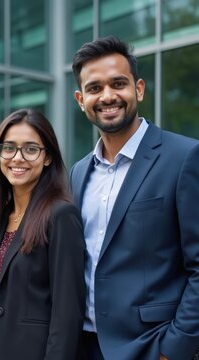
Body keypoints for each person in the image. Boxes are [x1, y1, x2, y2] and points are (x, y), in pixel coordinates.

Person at [71, 35, 199, 360]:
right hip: (84, 346)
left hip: (151, 347)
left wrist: (175, 348)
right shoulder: (78, 172)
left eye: (118, 83)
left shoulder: (184, 157)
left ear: (138, 89)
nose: (108, 96)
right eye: (95, 88)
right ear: (80, 99)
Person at [0, 108, 85, 359]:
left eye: (31, 149)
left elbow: (67, 314)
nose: (18, 158)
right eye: (9, 148)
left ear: (47, 157)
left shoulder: (61, 216)